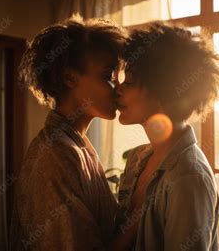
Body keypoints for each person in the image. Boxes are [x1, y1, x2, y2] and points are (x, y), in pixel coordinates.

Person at [9, 15, 132, 251]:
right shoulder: (56, 154)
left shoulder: (77, 143)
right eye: (107, 76)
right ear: (69, 78)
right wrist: (140, 212)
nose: (117, 89)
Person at [114, 22, 219, 250]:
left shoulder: (188, 178)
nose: (118, 88)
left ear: (161, 92)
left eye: (131, 80)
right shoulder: (138, 158)